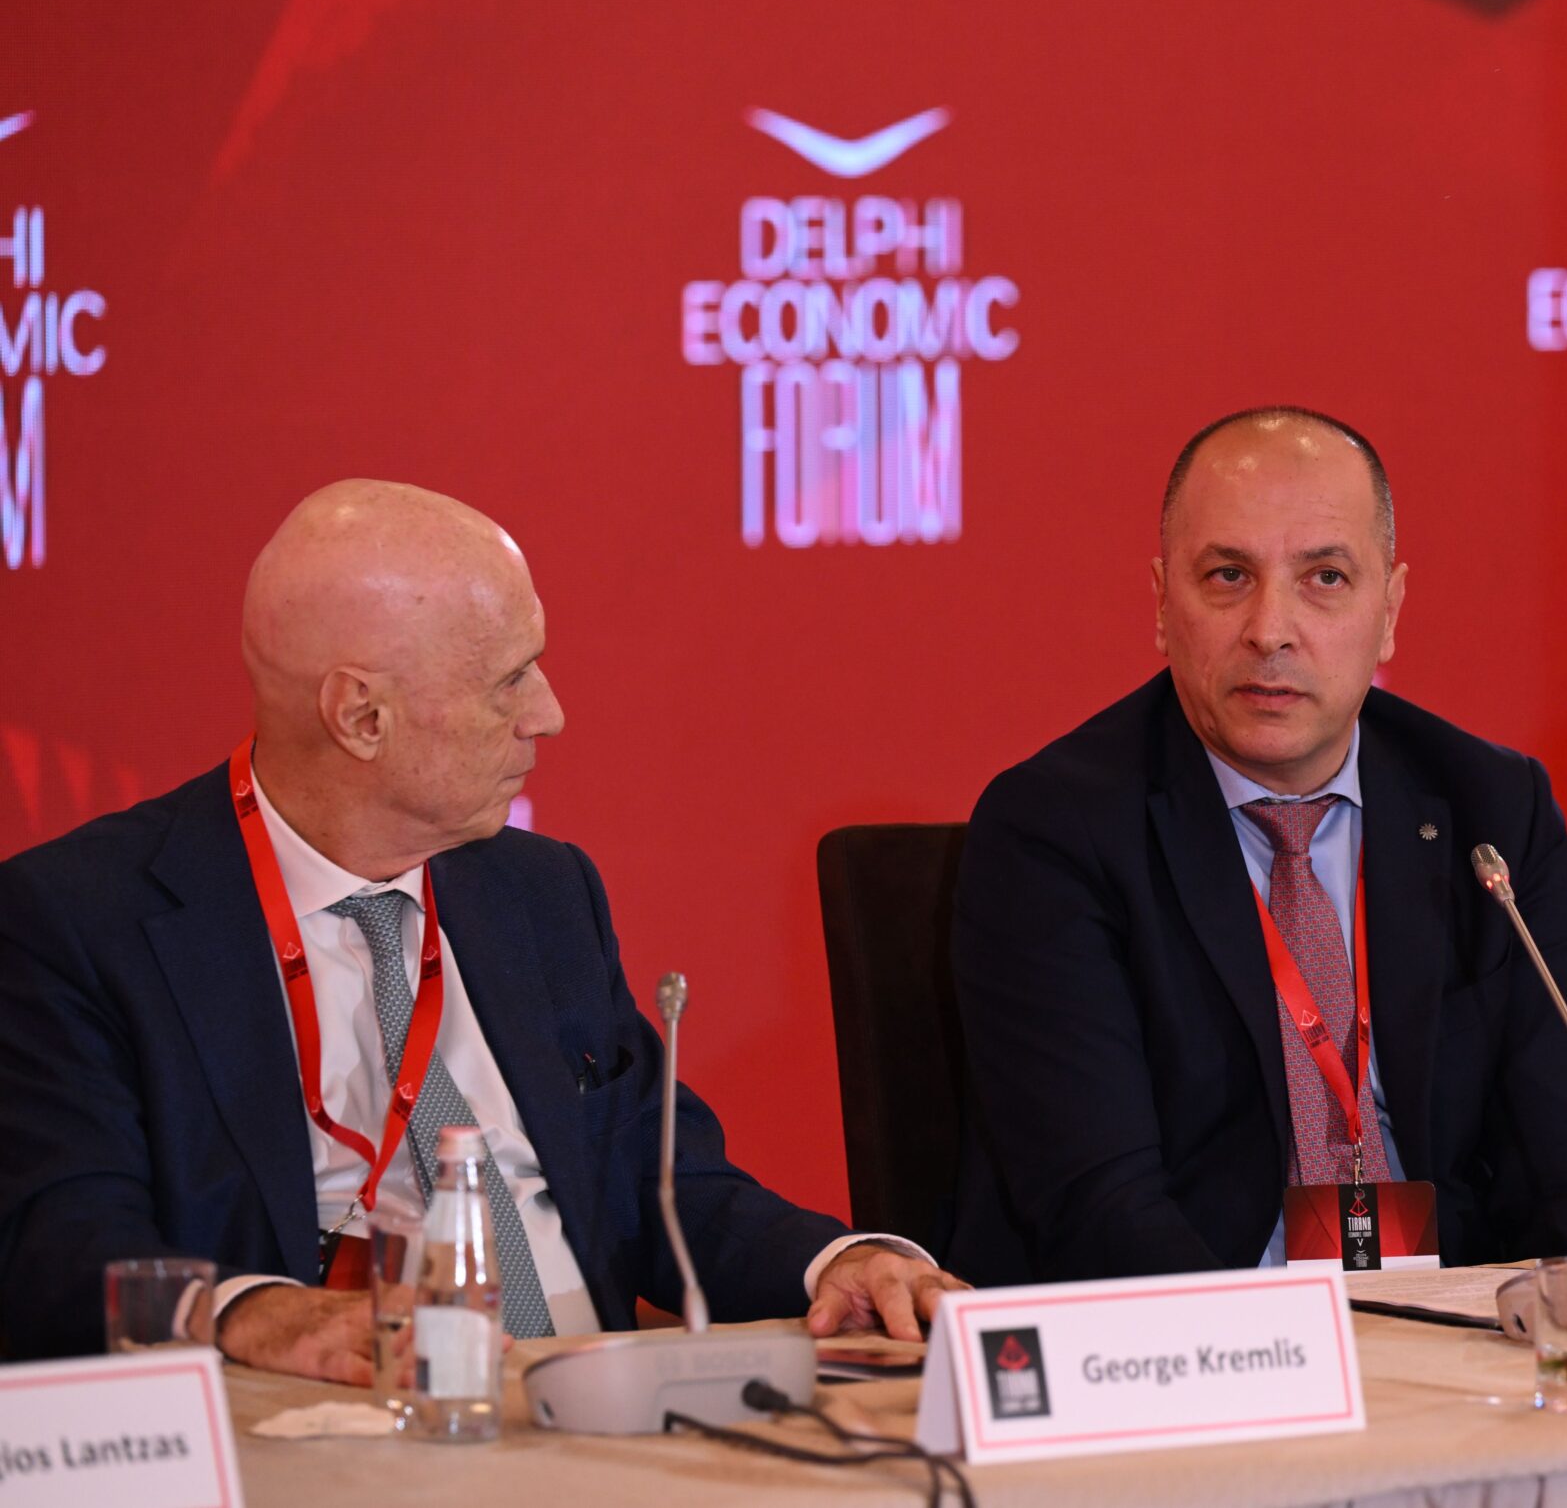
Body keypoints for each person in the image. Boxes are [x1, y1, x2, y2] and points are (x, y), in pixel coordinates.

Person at [0, 481, 966, 1378]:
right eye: (509, 680)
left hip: (596, 1417)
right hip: (347, 1424)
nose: (549, 714)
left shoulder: (540, 891)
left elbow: (663, 1182)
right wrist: (250, 1312)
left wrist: (838, 1259)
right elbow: (60, 1241)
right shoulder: (83, 922)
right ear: (361, 716)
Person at [947, 408, 1567, 1282]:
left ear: (1390, 610)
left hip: (1454, 1327)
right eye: (1228, 575)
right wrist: (1286, 1347)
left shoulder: (1491, 808)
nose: (1270, 627)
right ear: (1161, 602)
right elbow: (1102, 1212)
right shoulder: (1055, 830)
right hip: (1196, 1330)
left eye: (1325, 578)